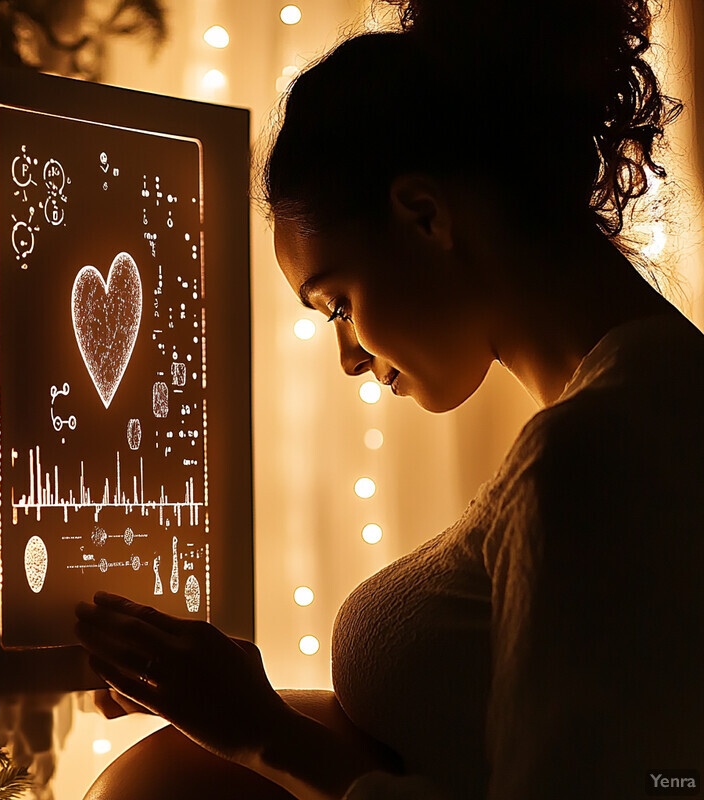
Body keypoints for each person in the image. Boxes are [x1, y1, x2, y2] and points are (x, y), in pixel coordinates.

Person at [76, 2, 704, 798]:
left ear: (425, 216)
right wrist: (243, 715)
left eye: (335, 302)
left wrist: (263, 736)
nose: (346, 357)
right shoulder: (637, 404)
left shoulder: (595, 454)